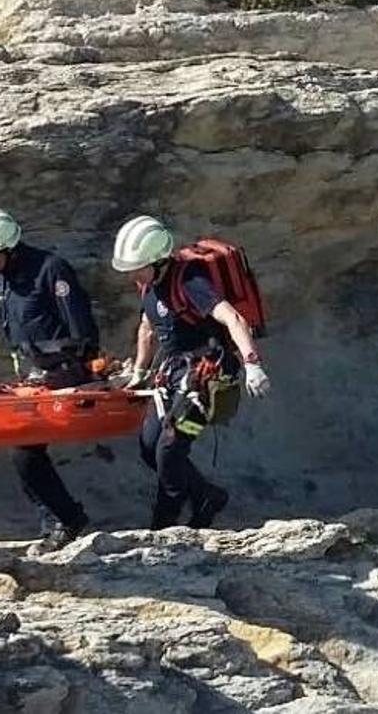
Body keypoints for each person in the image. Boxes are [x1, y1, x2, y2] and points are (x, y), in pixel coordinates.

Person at [112, 215, 271, 530]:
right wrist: (139, 371)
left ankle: (163, 523)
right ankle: (205, 496)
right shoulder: (148, 285)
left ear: (158, 261)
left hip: (206, 375)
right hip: (173, 373)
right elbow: (147, 328)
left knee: (169, 452)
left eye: (138, 267)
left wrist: (252, 364)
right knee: (149, 448)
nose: (132, 274)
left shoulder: (189, 282)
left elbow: (233, 318)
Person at [0, 207, 94, 549]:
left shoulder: (50, 270)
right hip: (29, 383)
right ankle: (61, 519)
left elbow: (83, 334)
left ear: (8, 248)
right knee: (22, 450)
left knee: (23, 450)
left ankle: (63, 520)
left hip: (60, 376)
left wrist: (55, 365)